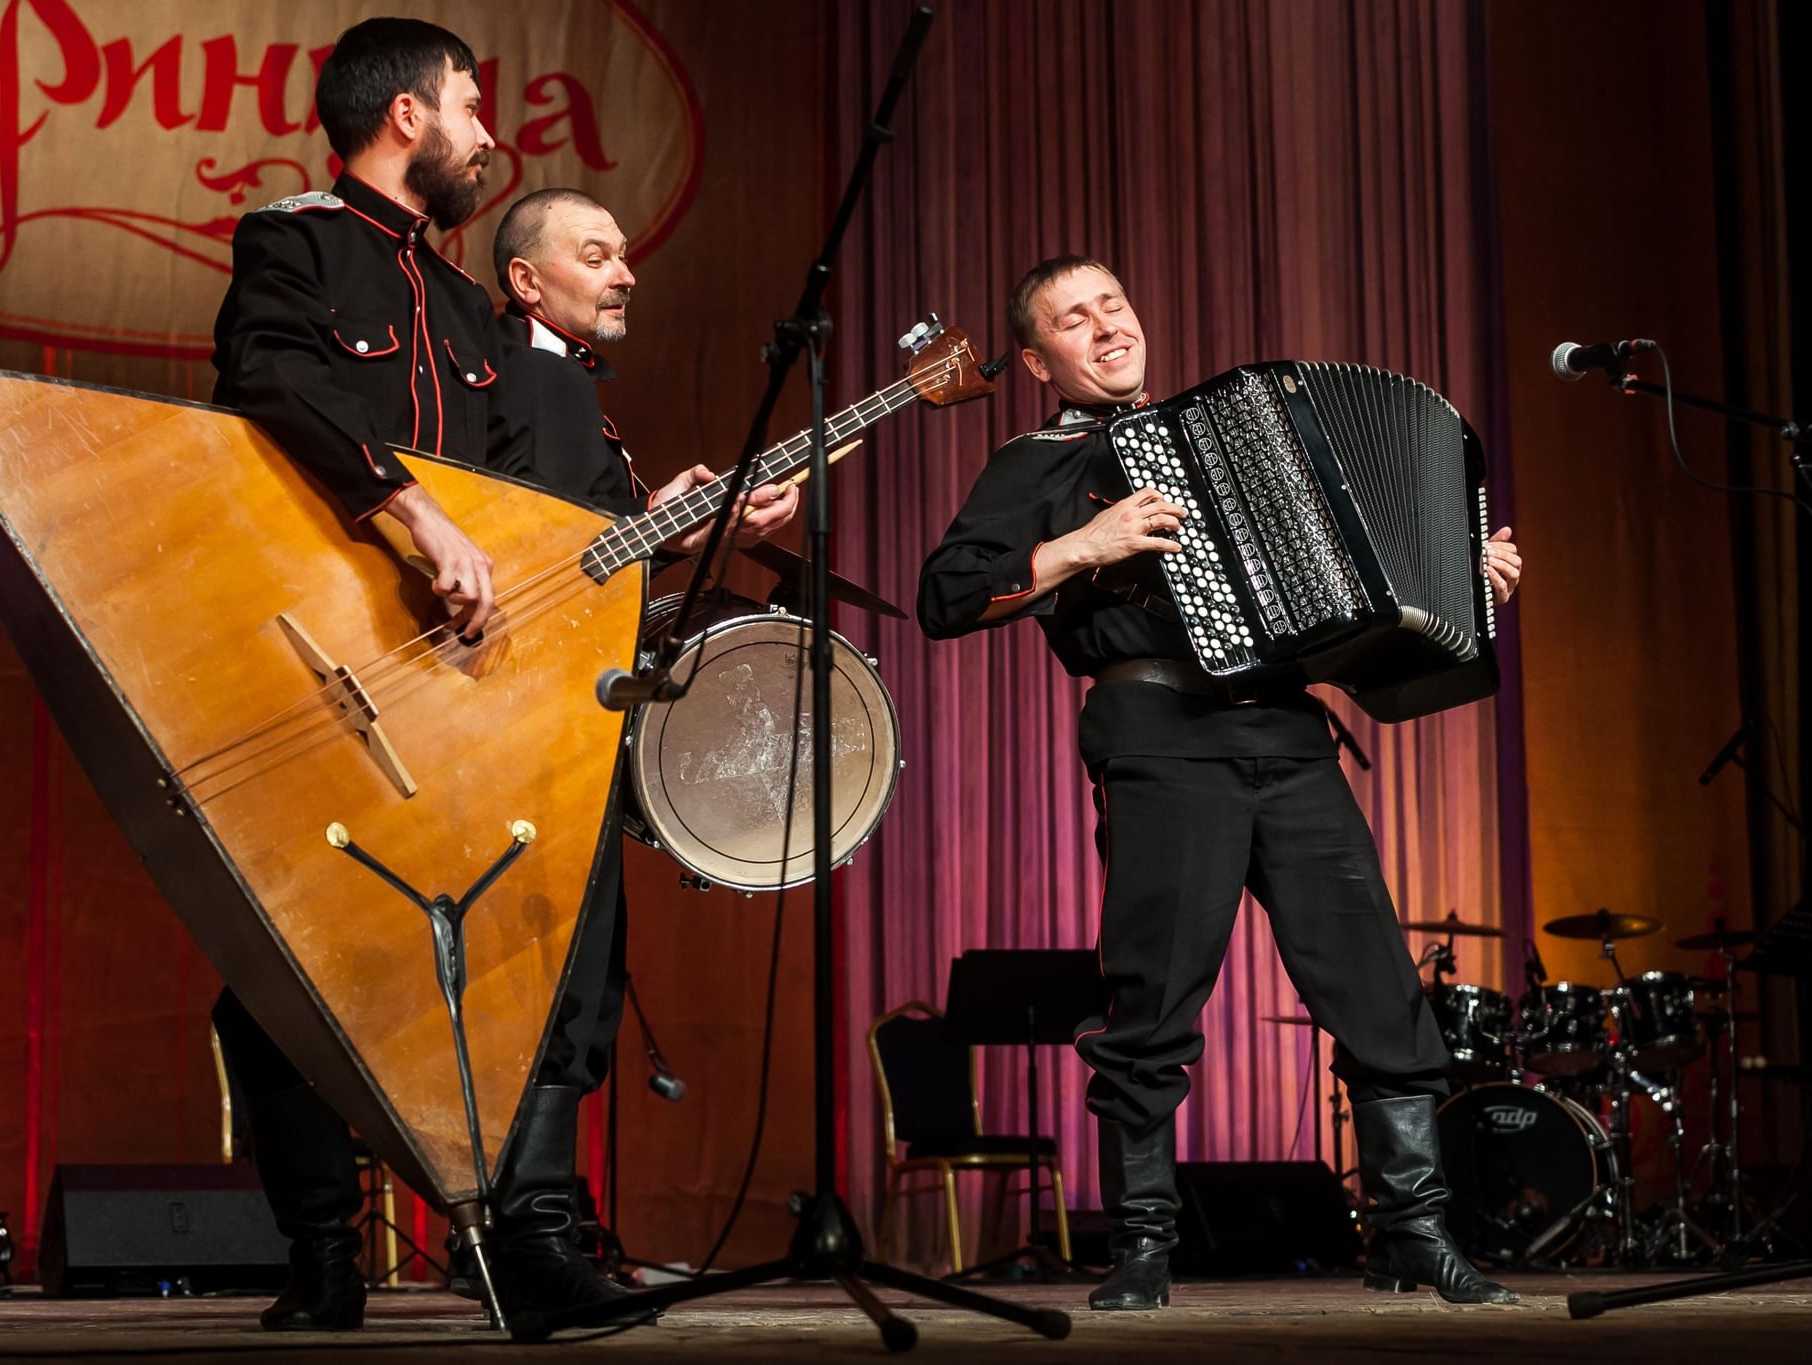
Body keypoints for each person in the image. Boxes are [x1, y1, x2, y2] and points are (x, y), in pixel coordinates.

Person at [208, 19, 793, 1331]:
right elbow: (274, 387)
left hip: (469, 677)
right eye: (471, 108)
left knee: (547, 937)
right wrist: (417, 516)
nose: (489, 136)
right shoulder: (293, 242)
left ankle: (527, 1240)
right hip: (327, 655)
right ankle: (322, 1249)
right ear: (408, 114)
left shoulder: (475, 311)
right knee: (284, 972)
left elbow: (545, 503)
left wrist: (667, 519)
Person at [917, 256, 1524, 1312]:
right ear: (1032, 359)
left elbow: (1344, 598)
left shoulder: (1237, 438)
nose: (1104, 326)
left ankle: (1412, 1233)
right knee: (1151, 998)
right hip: (1158, 740)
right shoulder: (1037, 459)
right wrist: (1078, 547)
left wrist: (1459, 581)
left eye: (1112, 303)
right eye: (1072, 318)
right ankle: (1142, 1247)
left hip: (1288, 739)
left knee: (1375, 988)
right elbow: (945, 595)